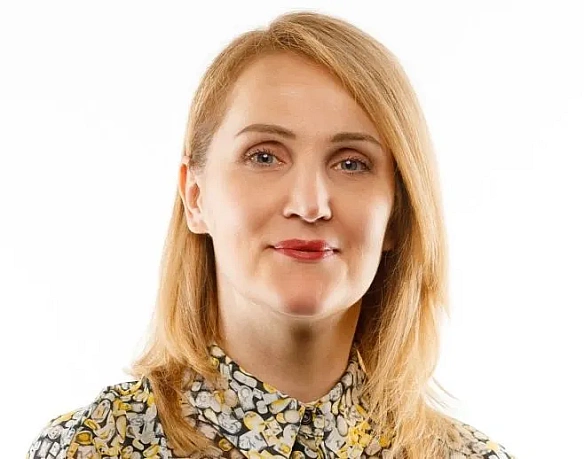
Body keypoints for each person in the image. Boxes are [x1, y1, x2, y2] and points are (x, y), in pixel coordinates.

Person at [26, 10, 515, 459]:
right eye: (264, 156)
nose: (309, 204)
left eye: (351, 163)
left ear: (398, 215)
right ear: (195, 197)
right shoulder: (92, 448)